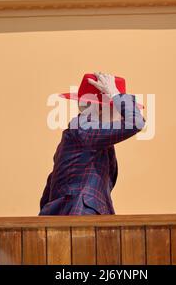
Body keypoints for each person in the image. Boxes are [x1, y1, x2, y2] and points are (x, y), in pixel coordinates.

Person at [39, 72, 145, 215]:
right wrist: (114, 93)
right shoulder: (85, 129)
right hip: (82, 219)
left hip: (74, 218)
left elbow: (51, 186)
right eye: (117, 107)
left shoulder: (80, 132)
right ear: (102, 108)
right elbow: (136, 122)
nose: (120, 114)